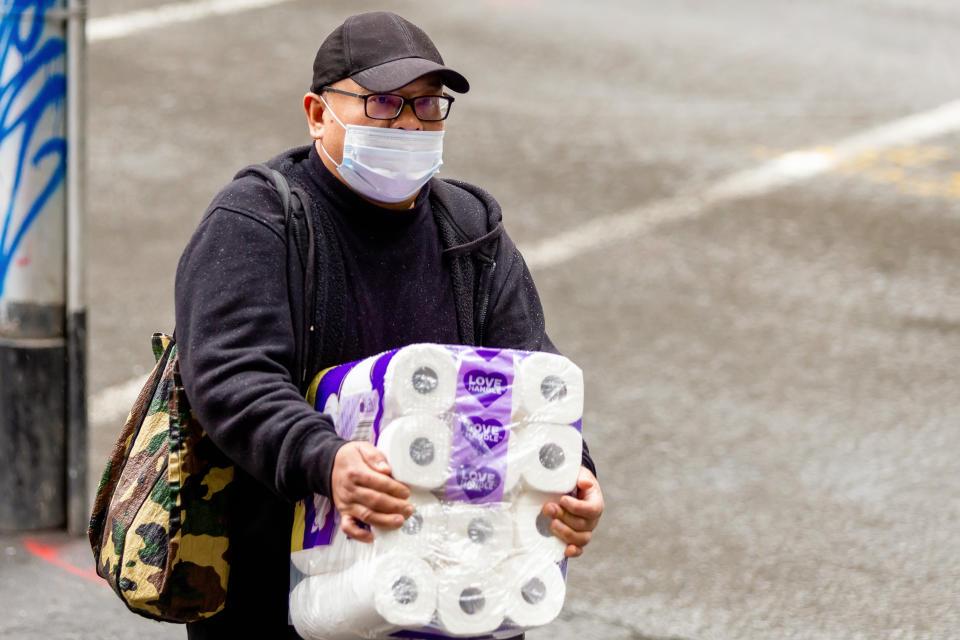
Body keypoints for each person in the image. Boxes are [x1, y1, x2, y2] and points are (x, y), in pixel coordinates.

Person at [174, 10, 604, 639]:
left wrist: (572, 472)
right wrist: (327, 461)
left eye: (428, 105)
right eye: (381, 103)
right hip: (281, 587)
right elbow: (231, 377)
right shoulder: (259, 219)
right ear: (319, 114)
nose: (408, 123)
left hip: (449, 589)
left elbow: (532, 375)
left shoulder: (469, 228)